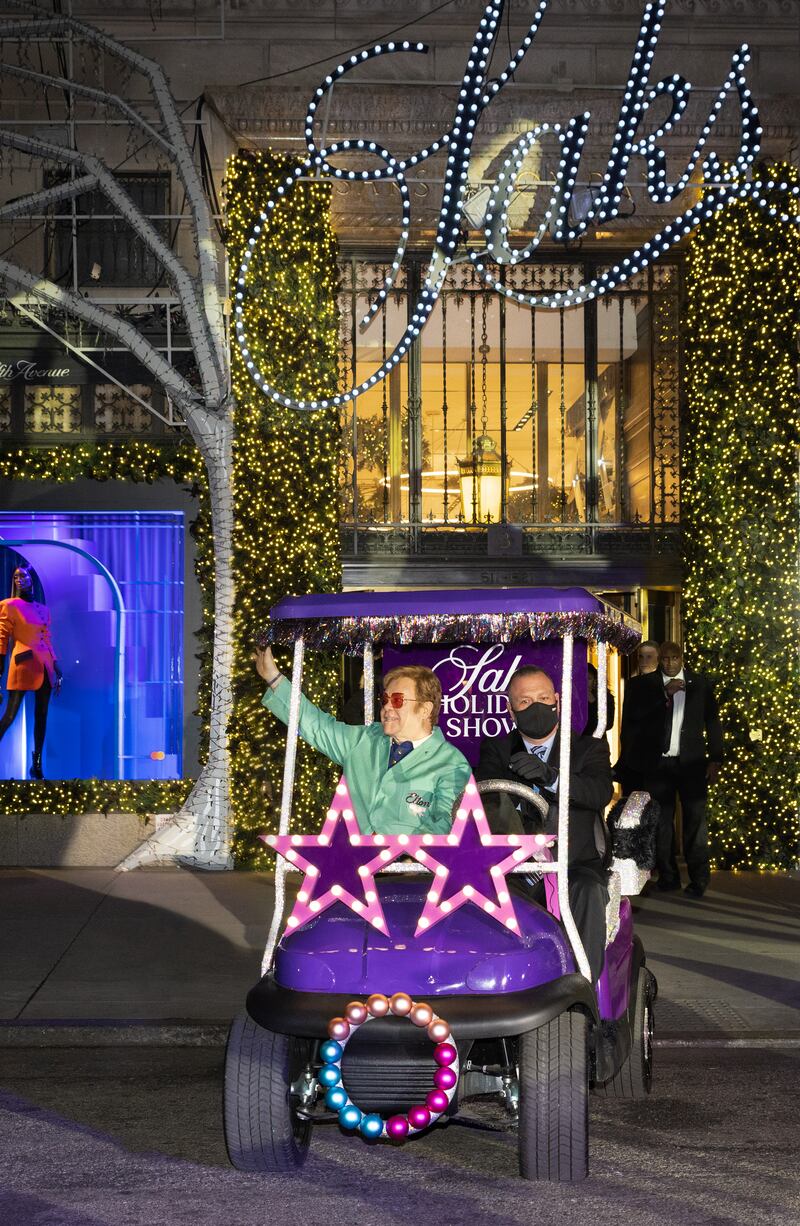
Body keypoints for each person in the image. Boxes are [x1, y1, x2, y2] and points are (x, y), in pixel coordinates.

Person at [475, 664, 613, 982]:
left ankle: (583, 992)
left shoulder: (587, 748)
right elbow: (490, 799)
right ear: (510, 710)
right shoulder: (497, 749)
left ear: (557, 701)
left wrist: (552, 779)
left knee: (588, 891)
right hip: (517, 865)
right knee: (484, 897)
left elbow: (598, 793)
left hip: (573, 862)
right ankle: (504, 988)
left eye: (542, 698)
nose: (535, 707)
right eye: (524, 702)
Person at [254, 644, 471, 835]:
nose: (386, 707)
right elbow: (316, 725)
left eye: (397, 700)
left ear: (425, 709)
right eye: (385, 699)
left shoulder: (451, 762)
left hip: (410, 873)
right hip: (351, 869)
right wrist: (274, 678)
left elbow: (447, 826)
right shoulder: (363, 740)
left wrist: (400, 850)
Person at [615, 641, 723, 898]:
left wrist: (716, 759)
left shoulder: (700, 684)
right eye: (665, 659)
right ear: (659, 660)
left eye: (674, 658)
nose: (669, 663)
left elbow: (713, 722)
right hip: (658, 764)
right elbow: (633, 717)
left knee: (695, 822)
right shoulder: (643, 685)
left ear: (682, 658)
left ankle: (699, 880)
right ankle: (668, 876)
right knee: (661, 823)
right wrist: (664, 695)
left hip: (692, 763)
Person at [0, 566, 62, 780]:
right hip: (23, 664)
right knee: (10, 714)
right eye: (15, 576)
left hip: (44, 666)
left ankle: (36, 765)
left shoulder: (43, 609)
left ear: (31, 579)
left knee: (41, 715)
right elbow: (2, 638)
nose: (19, 579)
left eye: (22, 576)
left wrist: (55, 664)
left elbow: (46, 638)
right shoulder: (8, 605)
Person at [582, 662, 615, 736]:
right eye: (583, 678)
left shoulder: (606, 697)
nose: (585, 682)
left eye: (589, 679)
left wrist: (593, 702)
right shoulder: (573, 697)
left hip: (597, 741)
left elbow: (609, 724)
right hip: (578, 741)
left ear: (595, 680)